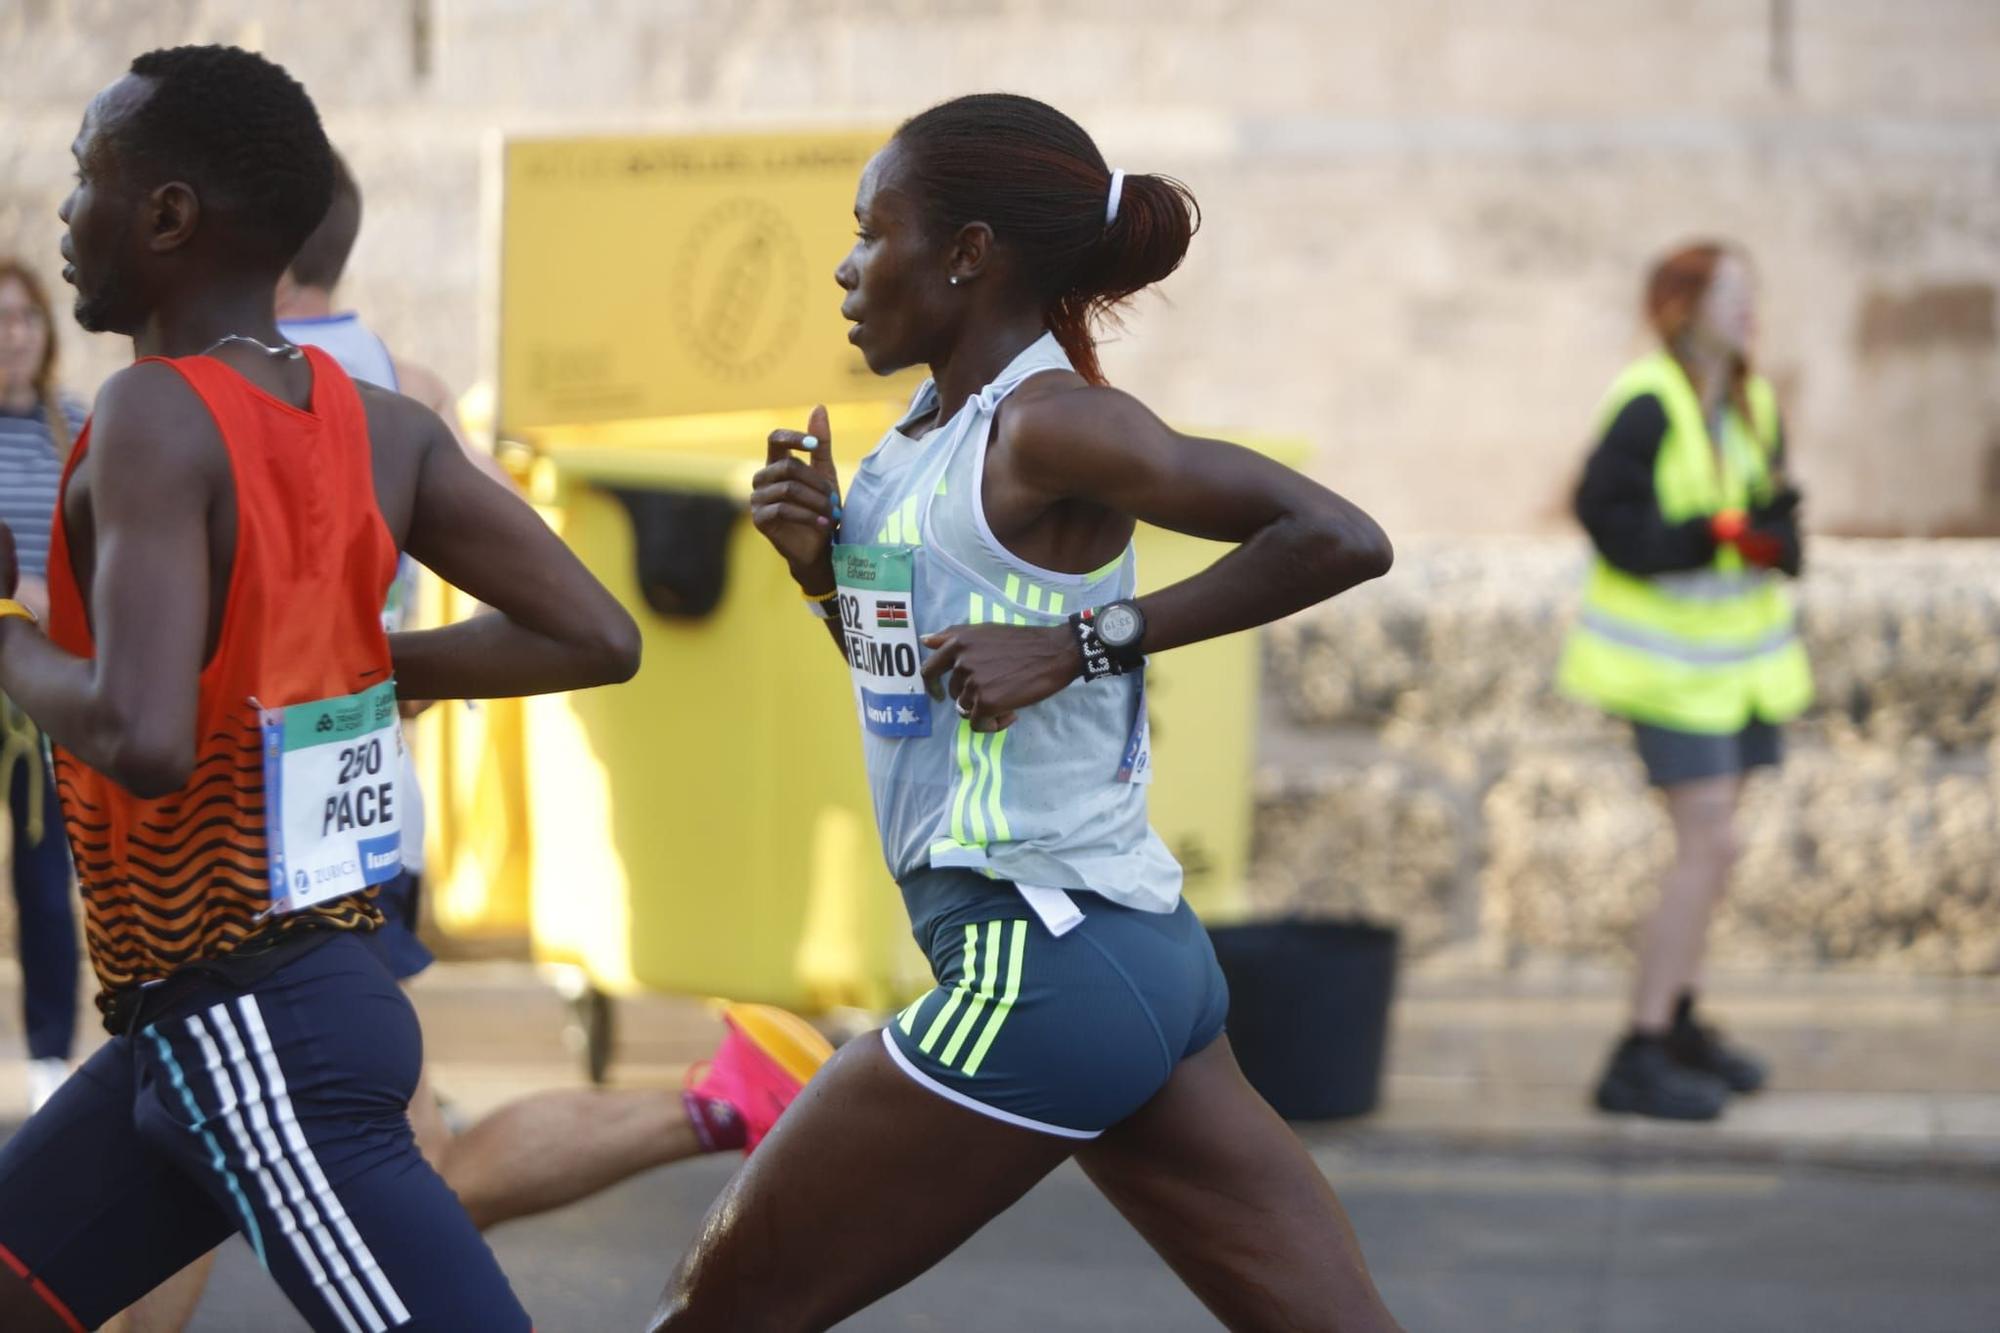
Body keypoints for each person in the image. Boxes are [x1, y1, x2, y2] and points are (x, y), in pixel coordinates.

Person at [651, 93, 1403, 1332]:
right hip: (1131, 953)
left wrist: (1083, 639)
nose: (843, 266)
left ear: (965, 251)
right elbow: (923, 691)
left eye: (868, 230)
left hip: (1036, 954)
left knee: (708, 1320)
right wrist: (816, 573)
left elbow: (1336, 536)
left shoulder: (1051, 422)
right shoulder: (923, 431)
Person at [0, 44, 649, 1331]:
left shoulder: (146, 413)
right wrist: (341, 666)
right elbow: (593, 634)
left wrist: (4, 629)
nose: (64, 218)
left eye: (85, 181)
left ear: (169, 214)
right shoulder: (383, 425)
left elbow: (139, 735)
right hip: (199, 1028)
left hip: (254, 1029)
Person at [1558, 240, 1811, 1122]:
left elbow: (1766, 512)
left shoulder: (1752, 401)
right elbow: (1608, 520)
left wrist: (1773, 536)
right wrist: (1717, 533)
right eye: (1731, 296)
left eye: (1753, 294)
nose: (1748, 312)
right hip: (1665, 670)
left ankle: (1680, 1024)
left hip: (1736, 671)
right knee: (1712, 843)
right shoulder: (1648, 400)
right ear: (1683, 306)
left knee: (1719, 844)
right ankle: (1639, 1045)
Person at [0, 260, 82, 1114]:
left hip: (42, 688)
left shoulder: (76, 426)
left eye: (25, 317)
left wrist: (56, 604)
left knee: (43, 876)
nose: (12, 332)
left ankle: (50, 1056)